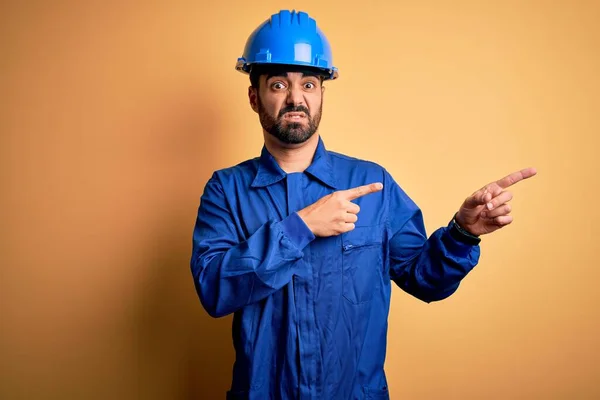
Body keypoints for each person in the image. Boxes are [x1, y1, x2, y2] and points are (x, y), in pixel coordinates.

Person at [190, 9, 536, 400]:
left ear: (322, 93)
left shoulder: (372, 185)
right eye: (277, 85)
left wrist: (462, 233)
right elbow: (214, 290)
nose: (295, 98)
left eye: (308, 84)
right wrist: (299, 228)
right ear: (255, 97)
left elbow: (425, 279)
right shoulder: (226, 190)